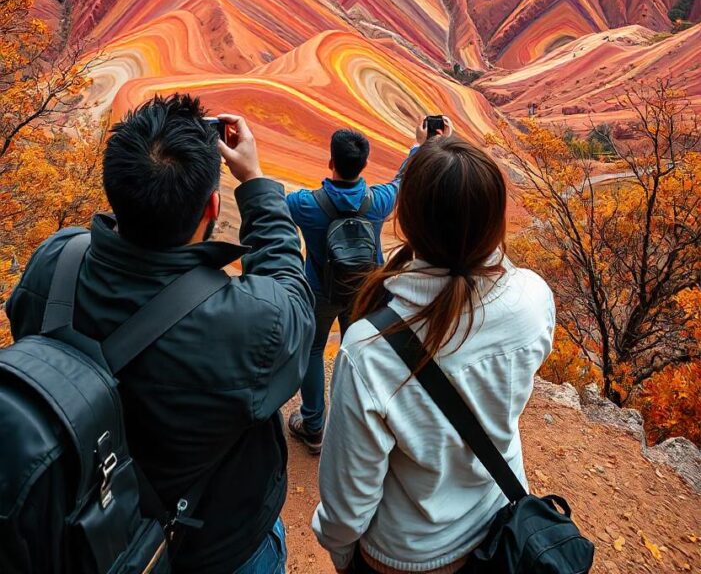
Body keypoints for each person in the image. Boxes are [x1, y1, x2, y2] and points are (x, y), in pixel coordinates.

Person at [7, 93, 315, 574]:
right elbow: (294, 300)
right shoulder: (249, 325)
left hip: (85, 532)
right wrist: (255, 183)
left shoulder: (54, 262)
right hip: (212, 549)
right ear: (212, 207)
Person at [312, 132, 555, 574]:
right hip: (500, 523)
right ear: (494, 219)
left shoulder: (367, 350)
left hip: (408, 555)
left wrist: (346, 558)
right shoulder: (534, 298)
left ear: (406, 221)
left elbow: (347, 508)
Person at [286, 124, 427, 453]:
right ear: (364, 165)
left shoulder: (306, 204)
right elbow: (402, 182)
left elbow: (271, 199)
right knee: (358, 354)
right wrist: (418, 147)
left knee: (312, 351)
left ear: (330, 162)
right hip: (364, 291)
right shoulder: (378, 202)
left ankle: (314, 427)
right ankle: (352, 425)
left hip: (320, 291)